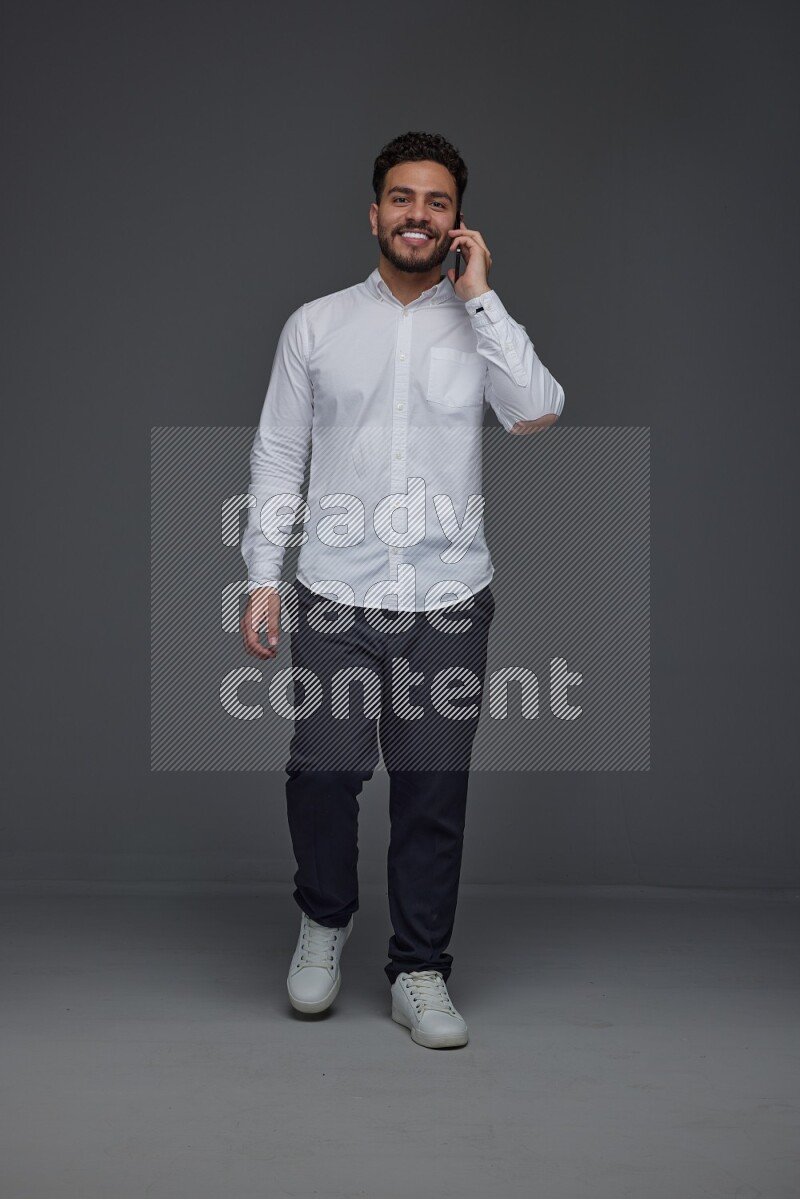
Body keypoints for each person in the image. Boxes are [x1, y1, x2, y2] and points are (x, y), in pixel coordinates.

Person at [240, 131, 564, 1049]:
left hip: (449, 596)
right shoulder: (316, 325)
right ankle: (324, 921)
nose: (416, 215)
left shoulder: (483, 323)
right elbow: (277, 453)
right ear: (373, 212)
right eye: (400, 198)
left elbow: (536, 411)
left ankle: (419, 968)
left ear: (457, 221)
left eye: (434, 202)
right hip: (336, 593)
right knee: (325, 769)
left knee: (431, 787)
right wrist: (262, 575)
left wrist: (483, 297)